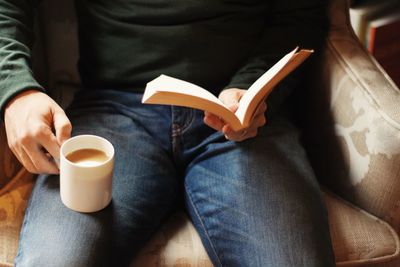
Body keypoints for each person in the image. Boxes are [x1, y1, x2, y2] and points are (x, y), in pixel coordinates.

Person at [0, 0, 335, 266]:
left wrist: (251, 87)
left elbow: (301, 16)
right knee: (57, 258)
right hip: (113, 111)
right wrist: (16, 90)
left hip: (240, 116)